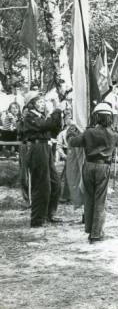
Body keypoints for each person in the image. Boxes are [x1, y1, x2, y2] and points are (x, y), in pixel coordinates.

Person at [68, 103, 118, 243]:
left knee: (89, 198)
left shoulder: (89, 132)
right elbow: (117, 143)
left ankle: (90, 229)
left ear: (96, 117)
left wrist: (72, 131)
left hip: (88, 165)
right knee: (100, 200)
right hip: (103, 167)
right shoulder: (114, 134)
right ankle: (96, 233)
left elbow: (73, 142)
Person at [21, 91, 62, 227]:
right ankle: (38, 219)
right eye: (39, 102)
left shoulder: (41, 116)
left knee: (55, 182)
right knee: (41, 184)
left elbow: (54, 128)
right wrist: (55, 110)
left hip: (46, 147)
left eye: (43, 101)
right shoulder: (29, 117)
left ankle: (50, 213)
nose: (42, 104)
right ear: (31, 104)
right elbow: (45, 126)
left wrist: (57, 113)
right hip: (37, 149)